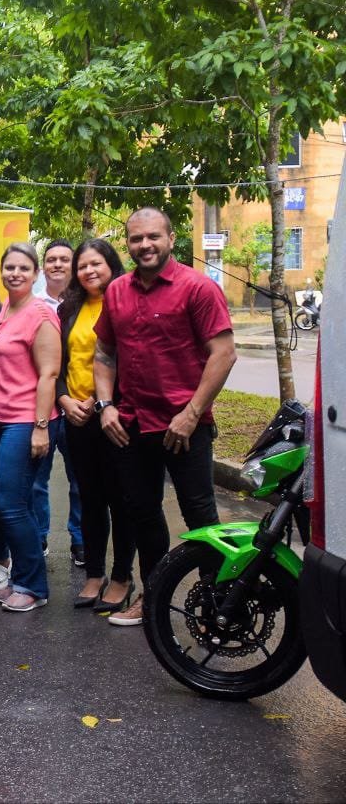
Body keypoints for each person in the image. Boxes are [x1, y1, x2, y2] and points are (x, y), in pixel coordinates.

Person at [95, 207, 236, 627]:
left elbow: (223, 353)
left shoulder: (197, 288)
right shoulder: (117, 290)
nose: (145, 245)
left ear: (171, 239)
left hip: (185, 428)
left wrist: (191, 414)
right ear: (128, 243)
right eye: (136, 239)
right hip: (132, 426)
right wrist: (106, 407)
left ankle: (217, 606)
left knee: (201, 517)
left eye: (153, 237)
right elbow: (103, 354)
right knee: (143, 513)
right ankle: (153, 600)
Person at [0, 244, 61, 613]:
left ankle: (33, 585)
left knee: (12, 504)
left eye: (24, 268)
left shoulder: (40, 314)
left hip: (26, 421)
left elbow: (49, 374)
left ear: (35, 273)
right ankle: (15, 571)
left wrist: (40, 427)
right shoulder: (7, 307)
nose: (15, 273)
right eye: (9, 267)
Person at [56, 239, 136, 611]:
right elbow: (56, 363)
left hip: (114, 416)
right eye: (82, 266)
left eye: (96, 264)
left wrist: (103, 400)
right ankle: (93, 573)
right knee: (88, 498)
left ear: (111, 265)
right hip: (76, 417)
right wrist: (65, 399)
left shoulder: (125, 302)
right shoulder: (68, 308)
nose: (88, 271)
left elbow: (132, 361)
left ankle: (121, 577)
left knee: (120, 499)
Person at [31, 239, 84, 565]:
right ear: (43, 266)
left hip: (78, 403)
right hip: (44, 406)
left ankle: (80, 539)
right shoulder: (34, 305)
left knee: (80, 479)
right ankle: (38, 537)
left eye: (65, 259)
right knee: (37, 478)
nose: (58, 264)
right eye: (51, 259)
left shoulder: (86, 303)